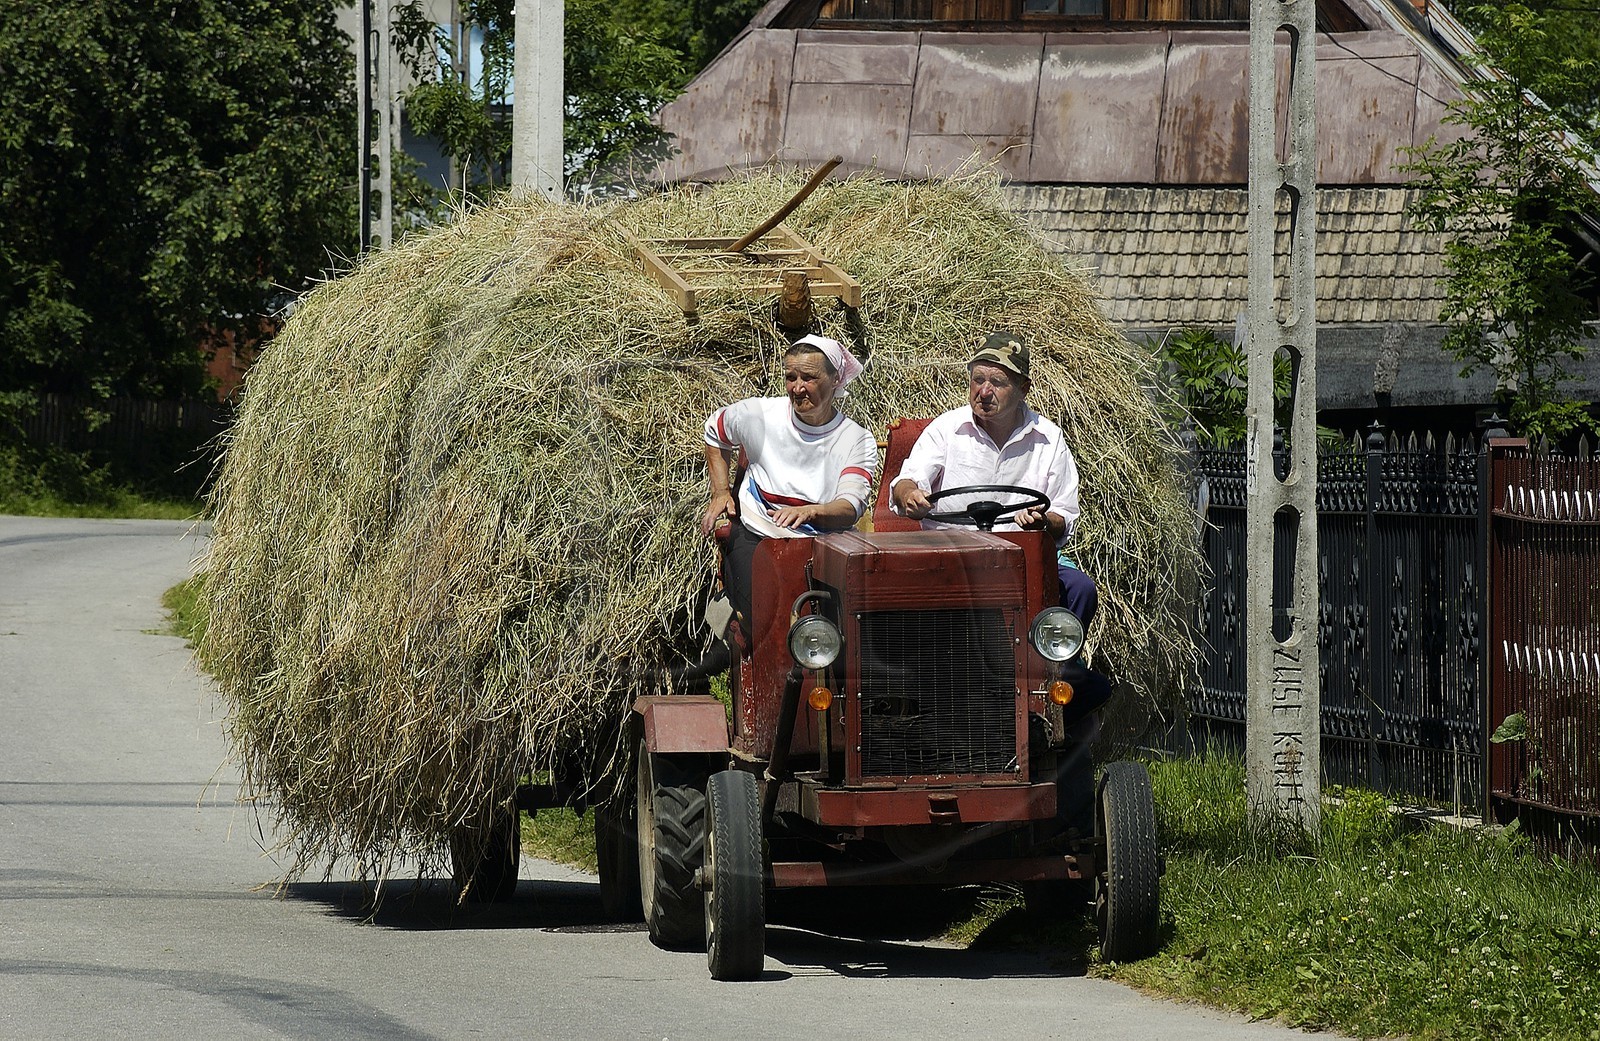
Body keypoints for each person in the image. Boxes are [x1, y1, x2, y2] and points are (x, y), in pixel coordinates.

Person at [889, 331, 1098, 628]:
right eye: (978, 380)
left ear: (1023, 388)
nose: (984, 391)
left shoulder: (1049, 439)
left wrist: (1043, 522)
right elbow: (907, 481)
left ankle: (1055, 667)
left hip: (1022, 557)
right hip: (949, 556)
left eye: (997, 383)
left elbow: (1063, 514)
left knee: (1080, 589)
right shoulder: (947, 429)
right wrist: (909, 495)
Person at [701, 334, 876, 633]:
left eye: (809, 377)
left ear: (835, 380)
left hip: (825, 544)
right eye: (790, 377)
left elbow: (849, 506)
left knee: (852, 624)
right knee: (771, 619)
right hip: (758, 536)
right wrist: (720, 491)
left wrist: (812, 512)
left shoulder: (855, 439)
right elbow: (715, 432)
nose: (797, 388)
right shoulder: (759, 416)